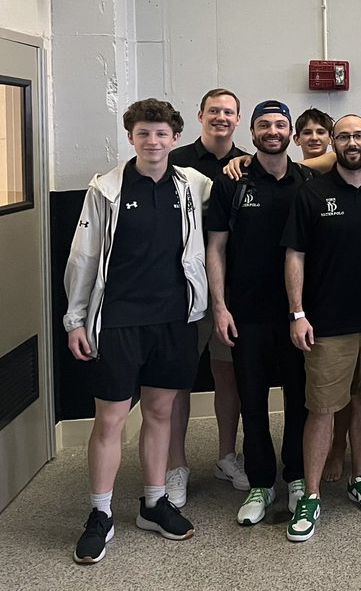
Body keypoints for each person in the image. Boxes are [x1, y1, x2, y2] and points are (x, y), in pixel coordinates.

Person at [65, 98, 210, 564]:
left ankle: (153, 502)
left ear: (175, 139)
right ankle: (100, 514)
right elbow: (84, 257)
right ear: (131, 137)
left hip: (173, 319)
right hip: (118, 321)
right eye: (144, 133)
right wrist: (75, 319)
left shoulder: (193, 185)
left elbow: (235, 168)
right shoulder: (105, 188)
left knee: (161, 413)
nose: (153, 141)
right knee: (109, 420)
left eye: (162, 134)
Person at [280, 115, 361, 542]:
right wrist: (298, 313)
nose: (352, 142)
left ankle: (360, 477)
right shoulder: (310, 193)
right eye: (344, 136)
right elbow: (294, 254)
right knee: (322, 410)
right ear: (334, 143)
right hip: (327, 323)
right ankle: (311, 497)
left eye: (358, 135)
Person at [206, 101, 311, 526]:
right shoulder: (232, 182)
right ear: (252, 131)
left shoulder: (308, 180)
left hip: (296, 313)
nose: (272, 130)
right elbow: (214, 248)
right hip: (245, 312)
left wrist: (302, 311)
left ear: (291, 133)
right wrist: (220, 306)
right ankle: (261, 483)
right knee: (252, 399)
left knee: (300, 398)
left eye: (280, 124)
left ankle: (299, 476)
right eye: (264, 124)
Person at [167, 88, 248, 504]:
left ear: (238, 119)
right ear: (200, 115)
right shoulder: (175, 161)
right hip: (183, 291)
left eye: (228, 112)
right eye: (213, 110)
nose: (221, 117)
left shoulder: (248, 165)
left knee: (226, 375)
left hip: (232, 288)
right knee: (178, 378)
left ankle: (226, 456)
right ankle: (175, 466)